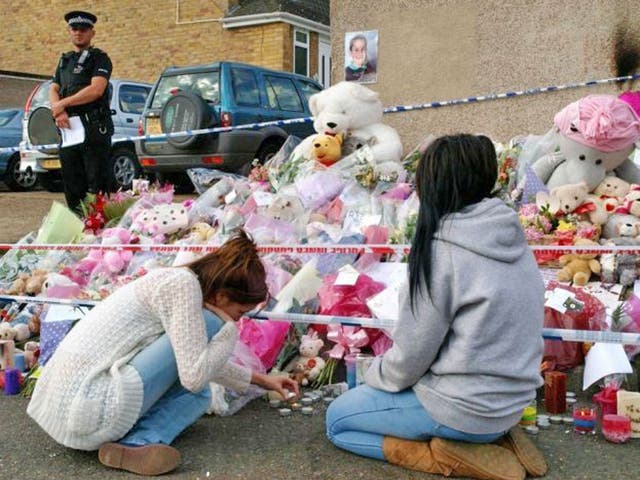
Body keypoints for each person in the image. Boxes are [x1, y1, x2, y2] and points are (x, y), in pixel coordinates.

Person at [326, 134, 547, 480]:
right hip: (513, 405)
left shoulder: (441, 249)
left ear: (436, 184)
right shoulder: (511, 234)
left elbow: (409, 360)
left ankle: (443, 455)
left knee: (337, 421)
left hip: (462, 409)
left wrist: (371, 374)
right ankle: (494, 441)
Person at [27, 230, 299, 476]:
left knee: (200, 394)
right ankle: (139, 440)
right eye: (240, 313)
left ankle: (131, 447)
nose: (238, 320)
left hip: (71, 408)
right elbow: (193, 374)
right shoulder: (182, 287)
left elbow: (192, 360)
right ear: (222, 297)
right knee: (200, 375)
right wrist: (228, 332)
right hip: (90, 405)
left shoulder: (179, 281)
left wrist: (262, 380)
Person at [50, 11, 114, 213]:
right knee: (72, 185)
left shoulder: (100, 58)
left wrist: (63, 103)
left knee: (96, 185)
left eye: (83, 29)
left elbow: (96, 90)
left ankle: (101, 232)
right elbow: (53, 88)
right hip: (69, 130)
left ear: (91, 33)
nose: (78, 33)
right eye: (74, 29)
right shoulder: (65, 61)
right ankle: (79, 231)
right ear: (69, 31)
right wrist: (58, 111)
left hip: (93, 128)